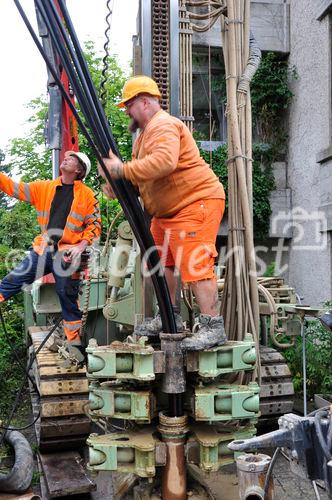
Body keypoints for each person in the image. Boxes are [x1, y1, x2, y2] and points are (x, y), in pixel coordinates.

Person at [98, 75, 226, 351]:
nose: (127, 112)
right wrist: (117, 183)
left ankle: (212, 327)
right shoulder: (144, 136)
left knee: (195, 264)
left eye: (128, 106)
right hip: (167, 213)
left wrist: (122, 169)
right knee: (159, 263)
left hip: (195, 202)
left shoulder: (163, 125)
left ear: (144, 102)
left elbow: (164, 162)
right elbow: (143, 175)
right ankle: (169, 317)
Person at [0, 151, 101, 363]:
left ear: (79, 170)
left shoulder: (87, 196)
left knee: (66, 293)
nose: (66, 157)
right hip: (44, 248)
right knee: (15, 278)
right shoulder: (45, 188)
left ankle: (74, 343)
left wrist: (80, 246)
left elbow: (94, 226)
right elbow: (14, 188)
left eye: (72, 158)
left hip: (66, 252)